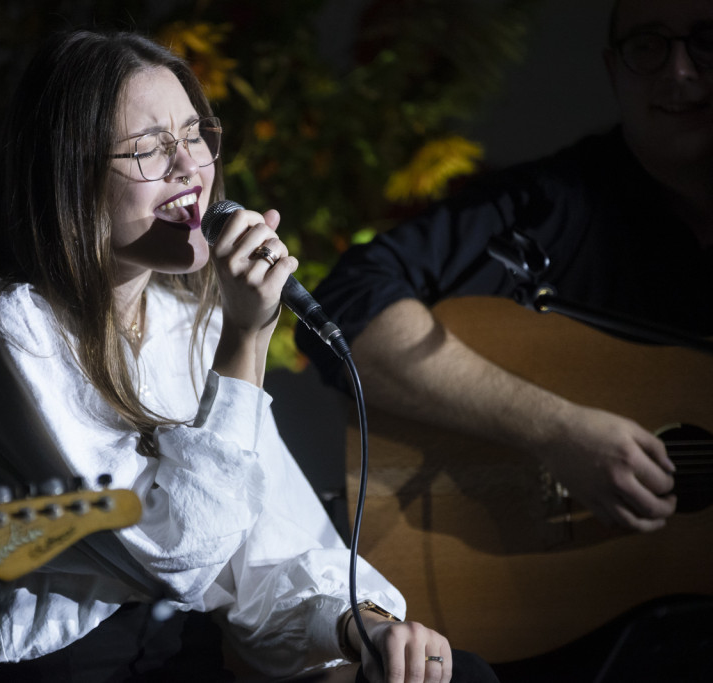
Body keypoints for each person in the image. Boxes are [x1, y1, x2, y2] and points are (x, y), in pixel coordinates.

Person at [0, 29, 498, 683]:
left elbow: (268, 551)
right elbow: (174, 554)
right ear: (69, 171)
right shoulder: (9, 325)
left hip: (180, 659)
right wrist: (247, 339)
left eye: (193, 135)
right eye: (149, 148)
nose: (190, 167)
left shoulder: (187, 323)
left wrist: (363, 625)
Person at [297, 0, 713, 533]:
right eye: (648, 45)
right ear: (614, 70)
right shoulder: (550, 206)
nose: (678, 71)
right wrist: (555, 430)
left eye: (707, 41)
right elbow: (340, 305)